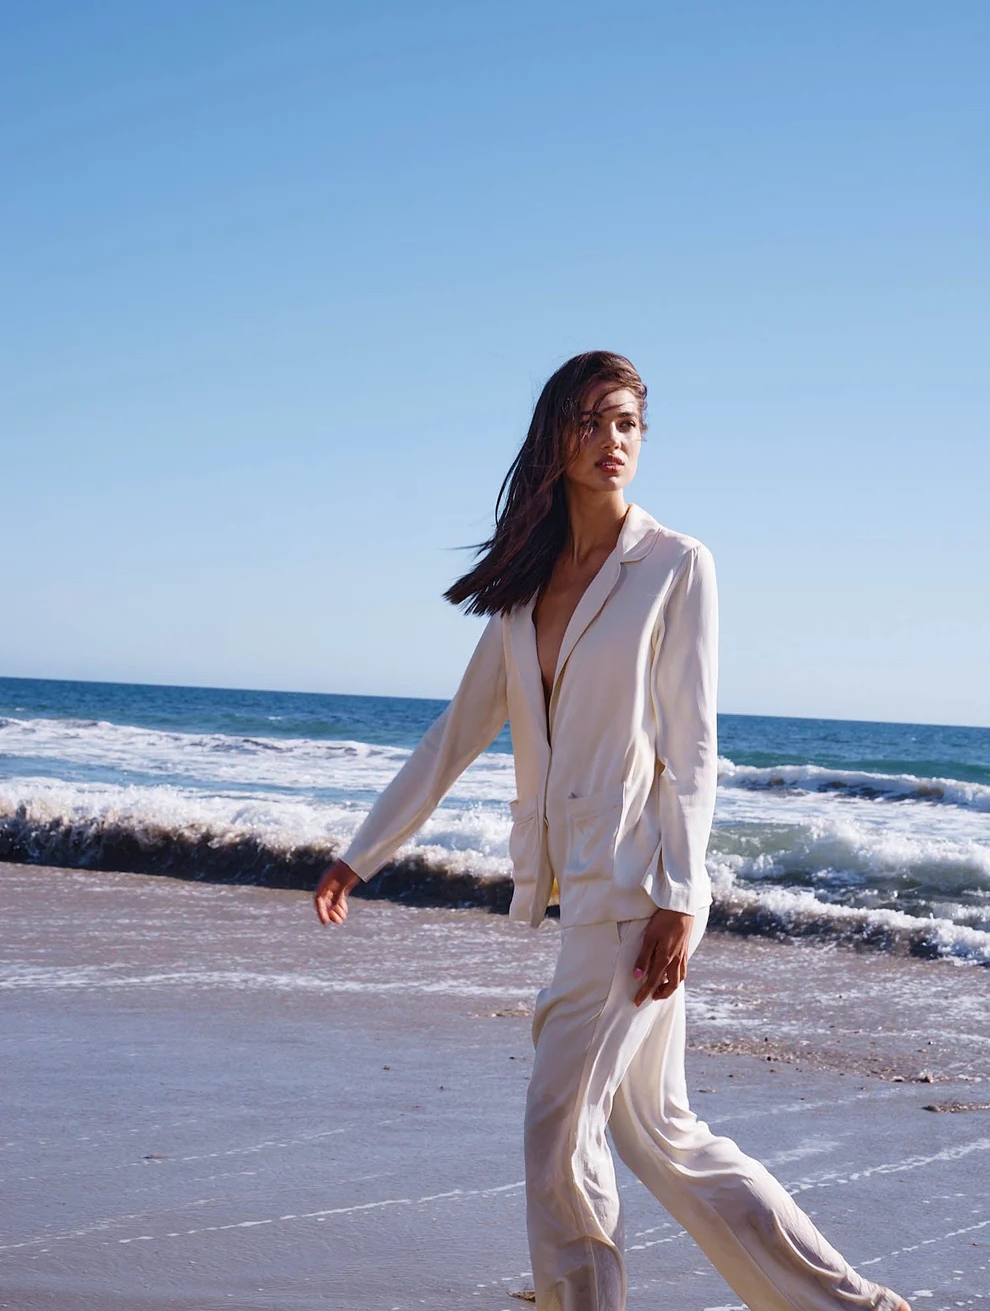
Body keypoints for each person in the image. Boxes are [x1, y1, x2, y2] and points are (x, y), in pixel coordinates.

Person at [313, 352, 911, 1311]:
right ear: (557, 437)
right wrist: (360, 852)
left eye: (627, 423)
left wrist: (680, 899)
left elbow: (694, 747)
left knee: (558, 1131)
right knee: (663, 1136)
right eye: (591, 423)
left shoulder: (676, 565)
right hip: (585, 893)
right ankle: (849, 1307)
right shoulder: (523, 590)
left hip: (641, 893)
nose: (611, 443)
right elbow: (455, 735)